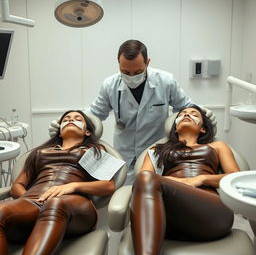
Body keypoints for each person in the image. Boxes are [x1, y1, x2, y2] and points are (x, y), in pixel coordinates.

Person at [49, 40, 216, 184]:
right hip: (124, 151)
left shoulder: (165, 81)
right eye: (125, 72)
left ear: (147, 63)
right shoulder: (110, 85)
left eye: (137, 72)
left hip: (156, 149)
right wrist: (66, 121)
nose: (131, 77)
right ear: (118, 64)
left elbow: (185, 106)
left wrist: (202, 113)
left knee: (157, 191)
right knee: (126, 195)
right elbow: (94, 114)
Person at [0, 110, 116, 255]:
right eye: (66, 119)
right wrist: (28, 199)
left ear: (87, 132)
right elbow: (17, 186)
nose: (70, 120)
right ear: (60, 132)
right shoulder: (39, 153)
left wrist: (72, 186)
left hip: (73, 206)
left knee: (54, 203)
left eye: (77, 118)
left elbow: (108, 186)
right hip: (33, 202)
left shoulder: (92, 150)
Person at [130, 104, 239, 255]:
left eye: (194, 114)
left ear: (203, 129)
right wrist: (182, 182)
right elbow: (144, 179)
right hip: (170, 219)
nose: (187, 115)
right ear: (175, 128)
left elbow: (234, 178)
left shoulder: (217, 146)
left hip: (212, 214)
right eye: (182, 114)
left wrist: (202, 179)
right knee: (144, 178)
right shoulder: (156, 150)